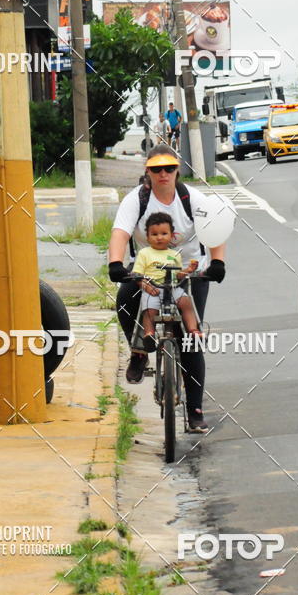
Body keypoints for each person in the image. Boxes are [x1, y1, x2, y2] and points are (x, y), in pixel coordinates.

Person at [108, 143, 227, 433]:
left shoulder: (191, 198)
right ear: (147, 172)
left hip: (189, 271)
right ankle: (139, 352)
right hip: (147, 271)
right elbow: (120, 233)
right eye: (156, 169)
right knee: (125, 299)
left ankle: (195, 410)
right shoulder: (137, 199)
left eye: (169, 168)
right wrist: (116, 263)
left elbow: (215, 229)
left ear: (177, 170)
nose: (163, 174)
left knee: (190, 339)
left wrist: (217, 263)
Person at [133, 212, 201, 351]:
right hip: (153, 288)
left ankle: (193, 330)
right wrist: (144, 285)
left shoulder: (174, 254)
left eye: (164, 233)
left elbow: (178, 275)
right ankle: (149, 334)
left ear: (171, 235)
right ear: (147, 236)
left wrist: (188, 270)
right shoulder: (144, 253)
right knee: (149, 309)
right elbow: (138, 274)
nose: (159, 237)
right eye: (154, 234)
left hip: (172, 287)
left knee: (186, 302)